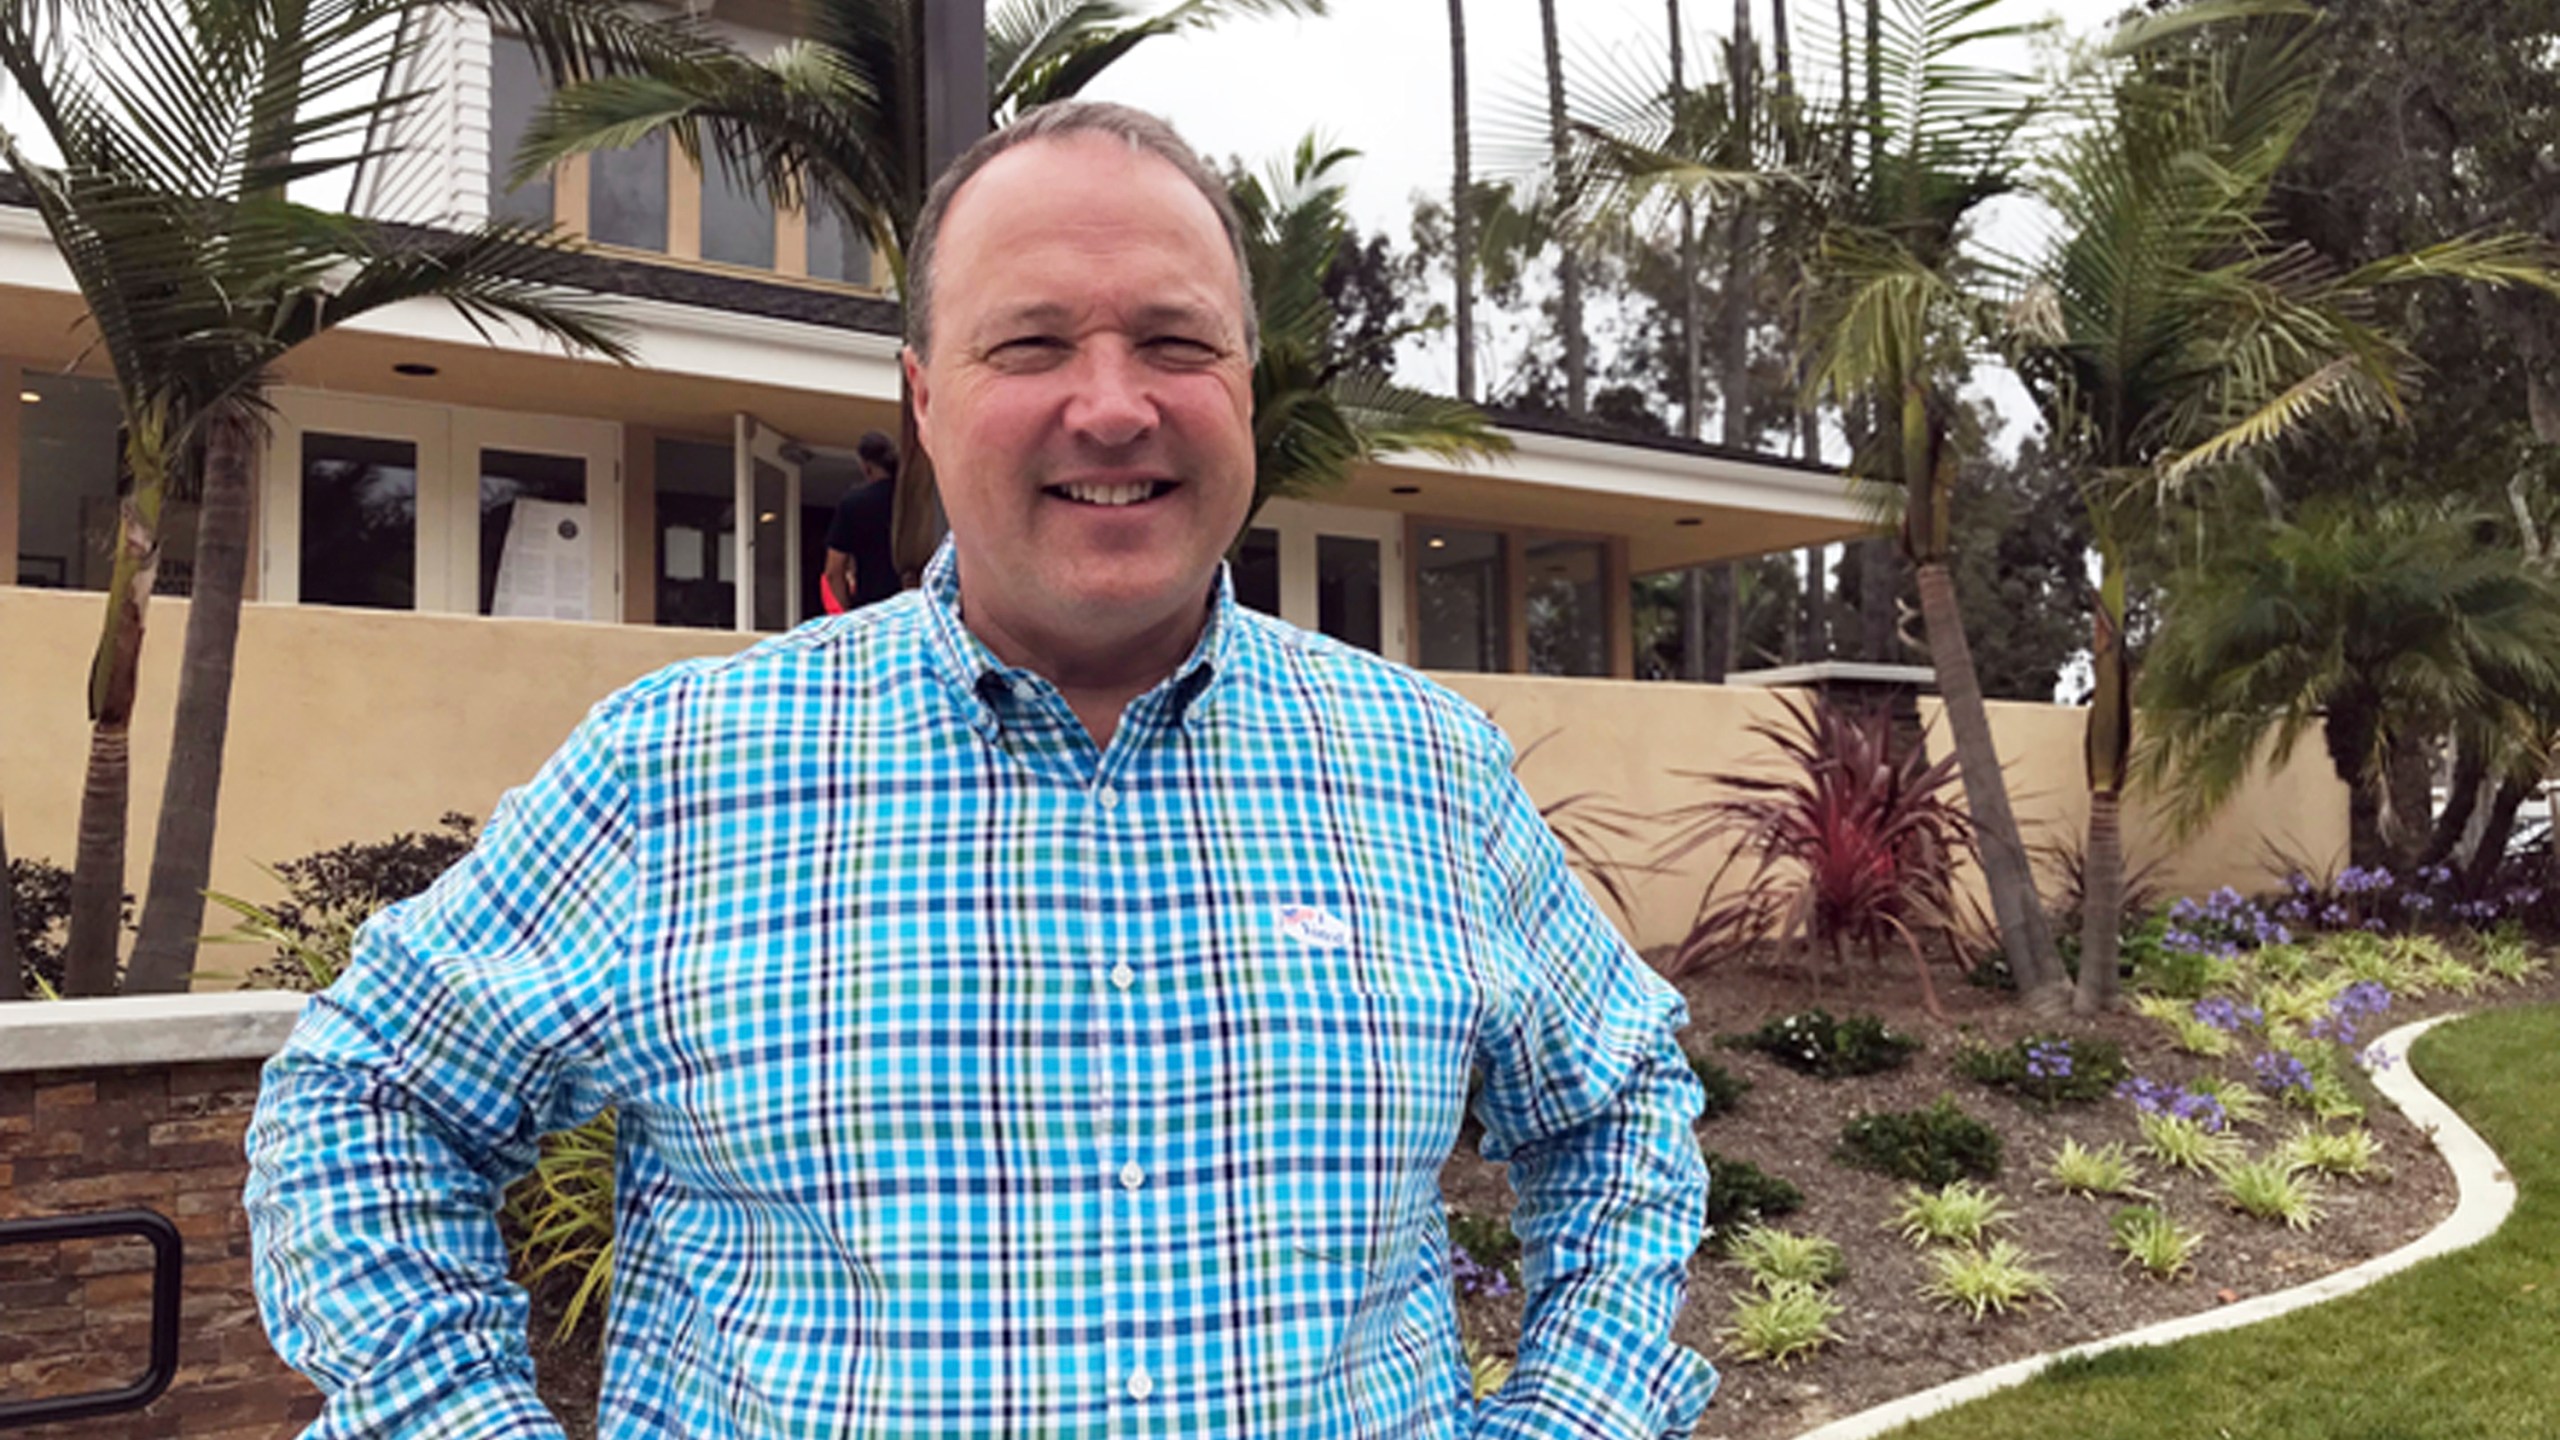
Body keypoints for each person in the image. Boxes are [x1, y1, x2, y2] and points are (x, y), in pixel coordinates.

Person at [246, 101, 1714, 1439]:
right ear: (926, 401)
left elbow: (1618, 1101)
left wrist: (1570, 1420)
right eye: (1031, 346)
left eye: (1174, 342)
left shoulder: (1428, 772)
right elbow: (370, 1097)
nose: (1114, 404)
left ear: (1244, 389)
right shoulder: (679, 774)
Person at [821, 431, 902, 613]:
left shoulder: (854, 503)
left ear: (866, 468)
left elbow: (834, 571)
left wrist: (850, 611)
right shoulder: (915, 501)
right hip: (913, 605)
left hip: (871, 605)